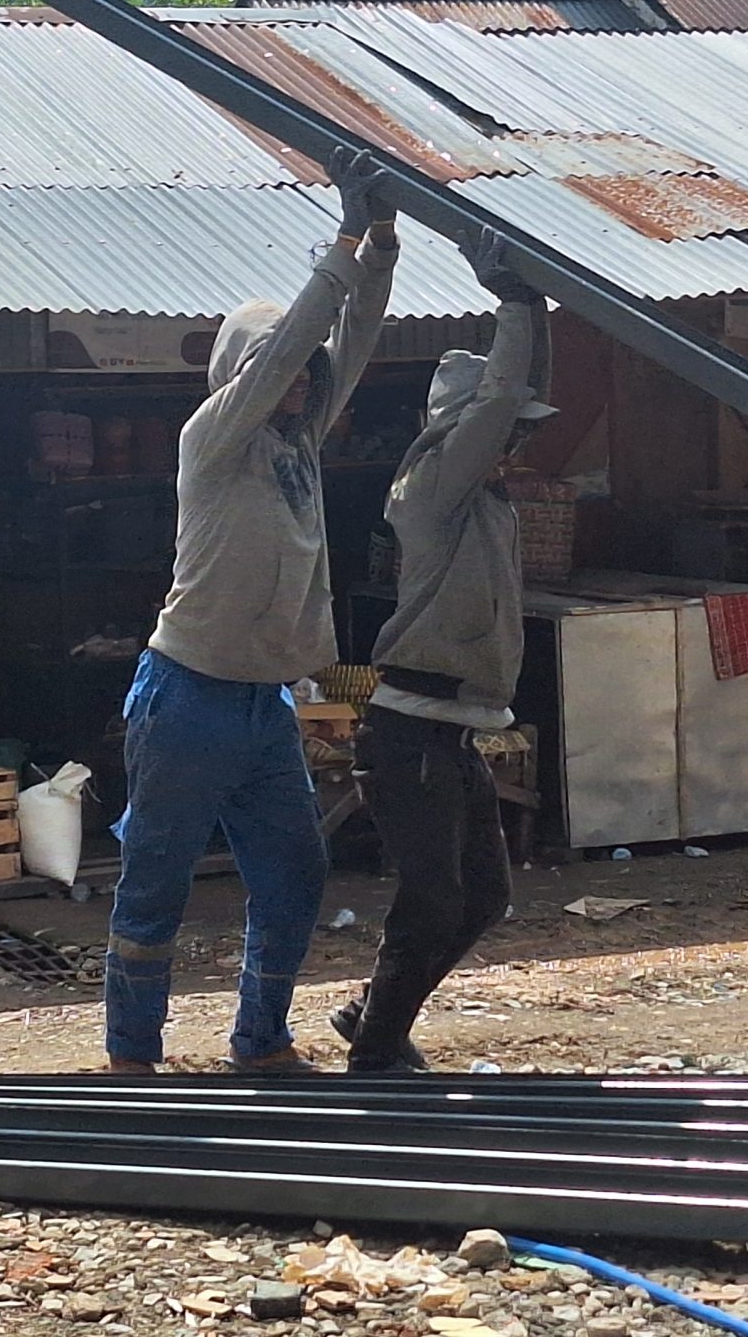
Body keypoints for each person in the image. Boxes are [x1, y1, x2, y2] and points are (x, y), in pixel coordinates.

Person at [104, 152, 399, 1074]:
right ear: (246, 373)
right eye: (288, 372)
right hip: (186, 694)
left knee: (296, 875)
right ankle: (132, 1056)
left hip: (263, 704)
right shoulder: (216, 435)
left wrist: (382, 241)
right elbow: (291, 347)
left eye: (310, 376)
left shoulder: (299, 439)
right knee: (156, 882)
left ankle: (260, 1040)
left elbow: (352, 337)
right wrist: (342, 240)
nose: (303, 383)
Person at [333, 232, 552, 1075]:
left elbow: (517, 393)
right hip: (409, 731)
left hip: (447, 731)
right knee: (432, 899)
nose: (515, 446)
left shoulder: (480, 497)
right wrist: (515, 303)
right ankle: (376, 1054)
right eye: (506, 434)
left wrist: (535, 309)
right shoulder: (434, 486)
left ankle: (372, 1014)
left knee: (482, 897)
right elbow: (497, 402)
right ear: (465, 431)